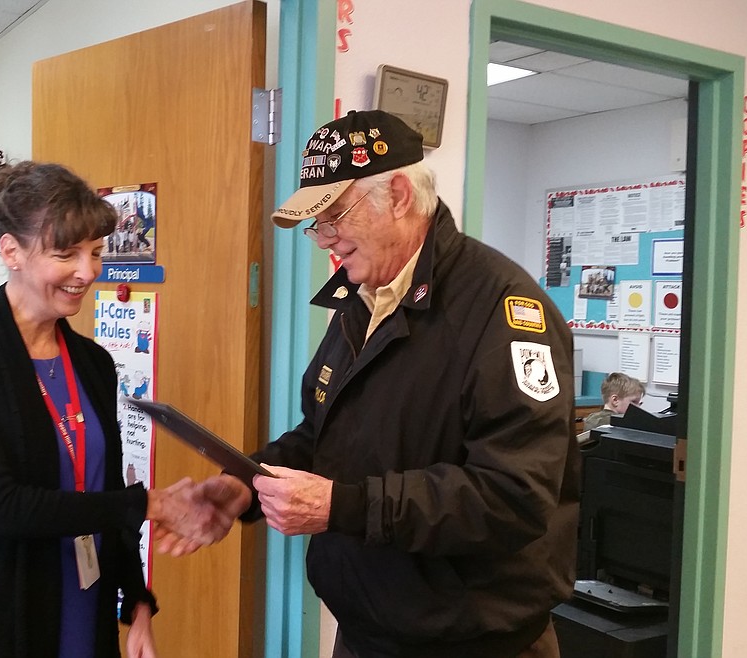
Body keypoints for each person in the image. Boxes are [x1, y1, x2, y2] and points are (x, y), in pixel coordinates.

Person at [184, 110, 580, 657]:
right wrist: (243, 485)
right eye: (316, 224)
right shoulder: (362, 300)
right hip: (369, 632)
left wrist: (340, 507)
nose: (325, 240)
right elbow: (325, 435)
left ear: (397, 195)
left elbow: (513, 497)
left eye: (335, 217)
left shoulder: (502, 311)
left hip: (475, 642)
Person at [0, 162, 240, 658]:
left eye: (96, 252)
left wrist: (138, 601)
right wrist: (151, 504)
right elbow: (0, 507)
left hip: (81, 603)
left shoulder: (92, 362)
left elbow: (102, 491)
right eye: (66, 254)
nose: (88, 272)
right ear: (11, 251)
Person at [582, 372, 646, 432]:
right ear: (615, 400)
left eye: (640, 403)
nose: (638, 408)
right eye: (634, 402)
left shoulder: (592, 417)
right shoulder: (613, 423)